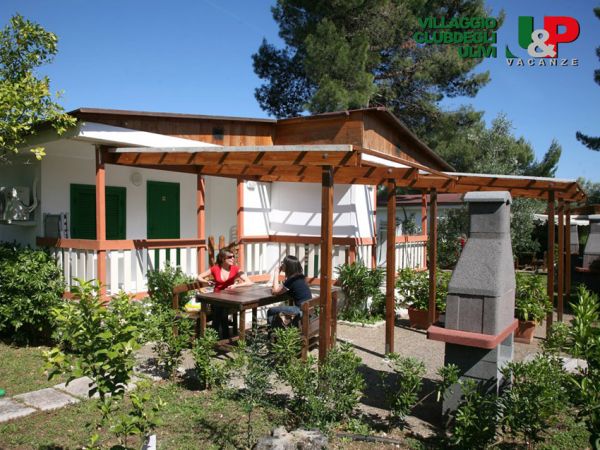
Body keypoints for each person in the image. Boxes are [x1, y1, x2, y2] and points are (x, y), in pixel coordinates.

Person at [197, 249, 253, 338]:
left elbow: (249, 282)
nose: (233, 258)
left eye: (233, 256)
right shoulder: (215, 268)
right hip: (216, 298)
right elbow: (199, 277)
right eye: (230, 257)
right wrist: (207, 282)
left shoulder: (235, 269)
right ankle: (224, 336)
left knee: (220, 311)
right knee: (220, 310)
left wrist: (236, 286)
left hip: (230, 298)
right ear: (223, 259)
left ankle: (214, 336)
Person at [267, 255, 312, 328]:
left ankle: (272, 333)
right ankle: (280, 329)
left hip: (300, 309)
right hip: (307, 308)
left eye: (283, 263)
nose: (281, 265)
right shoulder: (300, 276)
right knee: (281, 311)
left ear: (287, 266)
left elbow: (275, 291)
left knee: (271, 311)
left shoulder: (292, 279)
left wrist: (276, 273)